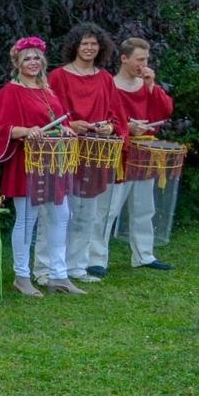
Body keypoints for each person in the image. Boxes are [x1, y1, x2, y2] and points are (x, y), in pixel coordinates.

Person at [0, 36, 81, 295]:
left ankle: (58, 274)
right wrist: (26, 130)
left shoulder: (47, 90)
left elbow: (58, 120)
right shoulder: (10, 92)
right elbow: (3, 129)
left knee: (61, 215)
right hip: (26, 162)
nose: (32, 62)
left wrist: (65, 129)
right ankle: (22, 276)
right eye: (27, 59)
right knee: (26, 218)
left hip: (53, 161)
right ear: (17, 63)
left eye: (36, 58)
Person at [43, 23, 122, 284]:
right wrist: (69, 125)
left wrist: (109, 127)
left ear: (101, 47)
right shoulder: (58, 77)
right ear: (75, 46)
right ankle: (48, 268)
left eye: (93, 44)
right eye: (84, 43)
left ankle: (77, 267)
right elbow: (46, 113)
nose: (89, 48)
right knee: (56, 213)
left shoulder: (106, 79)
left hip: (94, 153)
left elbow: (116, 116)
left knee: (87, 213)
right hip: (63, 151)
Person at [100, 35, 175, 272]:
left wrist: (152, 86)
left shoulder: (146, 84)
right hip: (121, 152)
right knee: (110, 207)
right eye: (139, 60)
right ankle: (96, 259)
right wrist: (127, 127)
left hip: (144, 152)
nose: (143, 65)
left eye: (146, 59)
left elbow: (165, 110)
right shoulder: (111, 85)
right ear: (124, 59)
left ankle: (144, 255)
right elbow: (106, 116)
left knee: (144, 206)